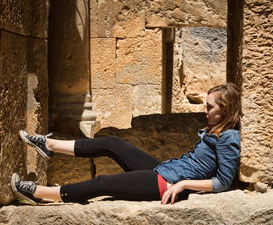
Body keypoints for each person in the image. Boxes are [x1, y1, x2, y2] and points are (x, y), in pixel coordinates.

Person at [11, 83, 241, 206]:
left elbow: (223, 181)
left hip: (168, 184)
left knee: (103, 183)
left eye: (210, 107)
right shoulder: (217, 128)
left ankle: (39, 194)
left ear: (226, 110)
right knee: (113, 143)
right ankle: (49, 146)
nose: (204, 110)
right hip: (165, 171)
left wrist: (182, 186)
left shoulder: (229, 138)